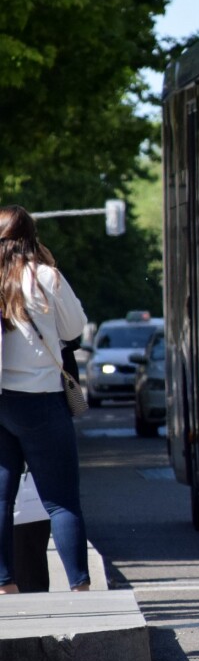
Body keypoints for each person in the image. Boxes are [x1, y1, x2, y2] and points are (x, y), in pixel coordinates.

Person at [0, 206, 90, 594]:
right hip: (41, 400)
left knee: (0, 501)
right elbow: (75, 328)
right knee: (61, 501)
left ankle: (5, 586)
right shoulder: (45, 277)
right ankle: (79, 588)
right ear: (30, 237)